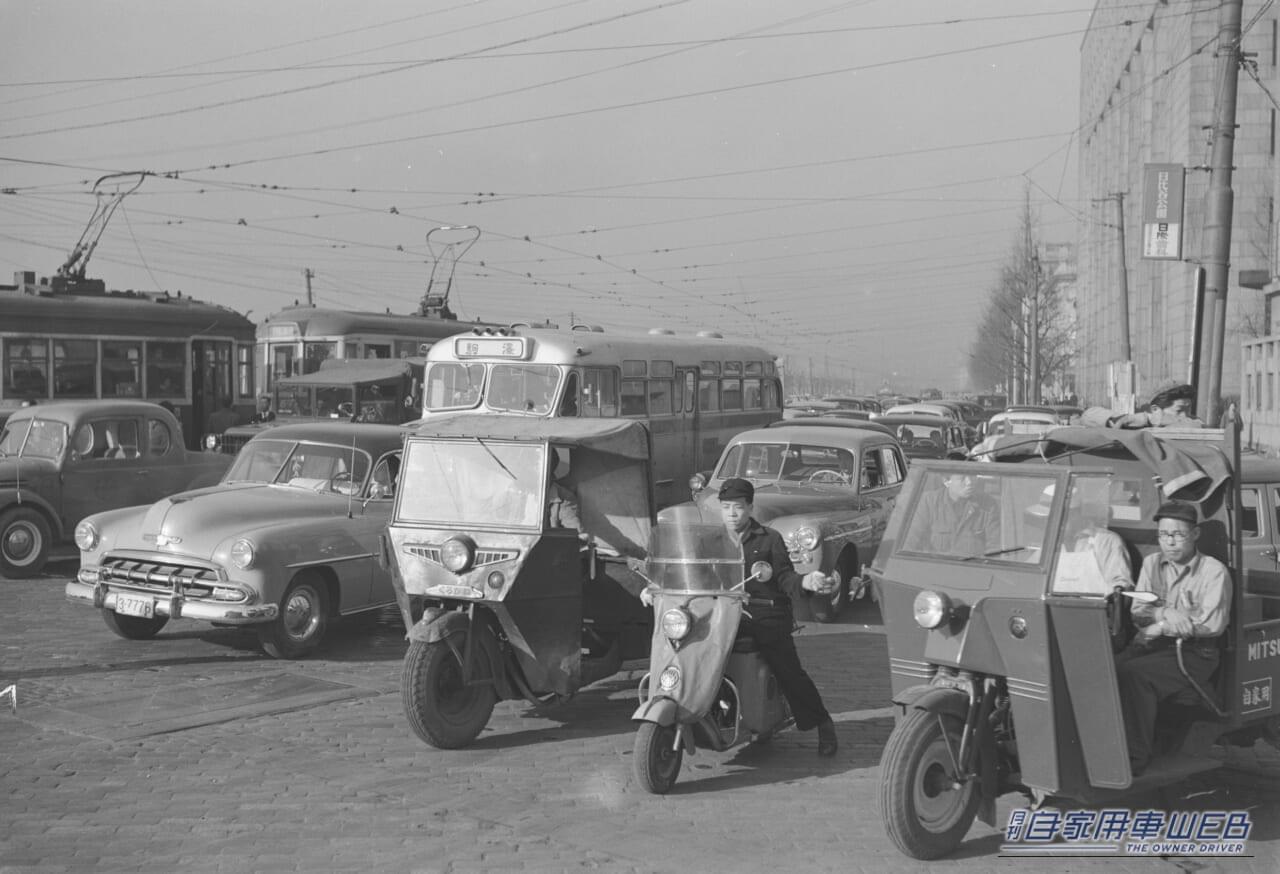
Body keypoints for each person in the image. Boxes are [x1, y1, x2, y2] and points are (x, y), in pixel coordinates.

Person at [712, 477, 839, 757]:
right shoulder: (714, 540)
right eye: (726, 507)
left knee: (787, 670)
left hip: (764, 615)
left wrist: (806, 583)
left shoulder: (769, 539)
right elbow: (695, 576)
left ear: (750, 508)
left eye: (738, 507)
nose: (731, 514)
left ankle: (822, 721)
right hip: (724, 617)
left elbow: (784, 577)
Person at [1116, 500, 1231, 776]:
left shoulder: (1213, 571)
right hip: (1155, 647)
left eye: (1178, 534)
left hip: (1196, 654)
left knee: (1134, 675)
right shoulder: (1152, 563)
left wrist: (1159, 625)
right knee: (1107, 668)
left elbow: (1211, 624)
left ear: (1194, 535)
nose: (1170, 542)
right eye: (1164, 535)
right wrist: (1166, 613)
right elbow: (1139, 612)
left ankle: (1136, 757)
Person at [904, 471, 999, 555]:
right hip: (935, 569)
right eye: (962, 478)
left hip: (973, 570)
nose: (969, 482)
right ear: (946, 481)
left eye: (972, 476)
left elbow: (995, 546)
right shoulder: (928, 502)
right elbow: (911, 543)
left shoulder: (988, 504)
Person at [1081, 380, 1204, 429]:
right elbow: (1088, 416)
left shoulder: (1194, 422)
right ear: (1156, 409)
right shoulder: (1142, 422)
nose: (1185, 415)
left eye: (1188, 409)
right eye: (1179, 410)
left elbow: (1197, 426)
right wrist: (1116, 420)